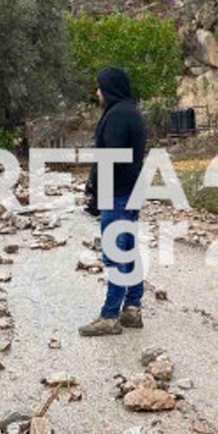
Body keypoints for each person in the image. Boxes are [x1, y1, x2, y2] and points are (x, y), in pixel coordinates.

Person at [79, 67, 148, 337]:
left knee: (115, 253)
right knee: (128, 249)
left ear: (109, 89)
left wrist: (97, 193)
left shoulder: (117, 115)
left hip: (118, 193)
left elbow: (111, 159)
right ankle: (132, 308)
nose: (97, 93)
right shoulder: (131, 111)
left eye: (99, 88)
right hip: (130, 190)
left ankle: (110, 316)